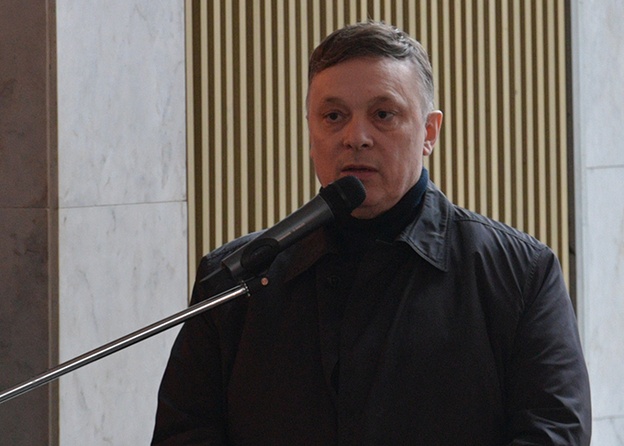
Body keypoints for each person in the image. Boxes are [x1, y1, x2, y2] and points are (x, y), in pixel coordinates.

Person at [152, 21, 591, 445]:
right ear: (311, 131)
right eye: (333, 116)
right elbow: (184, 433)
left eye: (383, 114)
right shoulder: (234, 279)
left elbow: (554, 434)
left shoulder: (520, 275)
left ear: (429, 132)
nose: (356, 137)